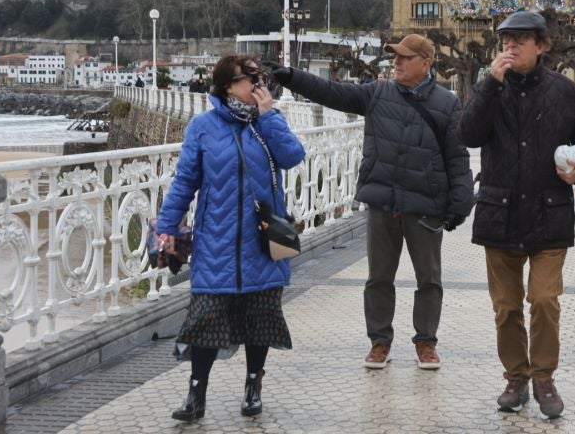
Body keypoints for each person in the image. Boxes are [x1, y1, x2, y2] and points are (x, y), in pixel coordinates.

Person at [266, 34, 474, 370]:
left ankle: (426, 343)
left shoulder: (446, 103)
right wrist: (291, 76)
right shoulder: (377, 93)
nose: (397, 62)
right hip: (383, 202)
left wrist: (461, 203)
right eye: (396, 57)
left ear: (426, 63)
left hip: (425, 205)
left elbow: (457, 156)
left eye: (405, 58)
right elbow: (332, 93)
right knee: (378, 277)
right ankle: (379, 342)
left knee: (429, 279)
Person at [458, 11, 575, 419]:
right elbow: (467, 134)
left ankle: (543, 377)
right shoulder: (490, 87)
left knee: (543, 300)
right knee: (505, 306)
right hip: (499, 215)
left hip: (549, 215)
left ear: (542, 46)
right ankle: (516, 377)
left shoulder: (563, 91)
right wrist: (489, 85)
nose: (511, 46)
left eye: (521, 39)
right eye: (506, 39)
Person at [157, 54, 306, 422]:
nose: (258, 84)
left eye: (260, 78)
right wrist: (165, 228)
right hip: (216, 239)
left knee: (261, 317)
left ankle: (253, 386)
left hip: (262, 241)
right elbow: (185, 182)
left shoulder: (267, 122)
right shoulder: (203, 127)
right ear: (227, 85)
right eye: (249, 78)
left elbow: (293, 156)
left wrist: (270, 116)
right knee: (205, 318)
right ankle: (196, 396)